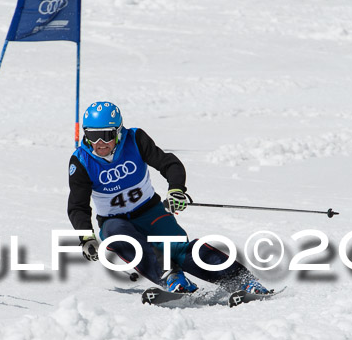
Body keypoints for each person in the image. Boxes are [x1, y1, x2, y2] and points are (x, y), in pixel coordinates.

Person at [67, 101, 269, 294]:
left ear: (118, 132)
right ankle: (172, 278)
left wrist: (176, 190)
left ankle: (242, 280)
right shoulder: (82, 161)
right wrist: (86, 237)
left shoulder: (135, 140)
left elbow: (169, 164)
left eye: (105, 135)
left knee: (179, 249)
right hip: (114, 221)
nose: (99, 143)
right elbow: (78, 206)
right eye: (92, 135)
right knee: (120, 236)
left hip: (150, 211)